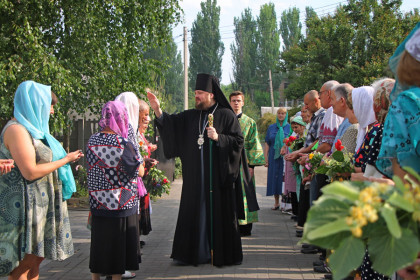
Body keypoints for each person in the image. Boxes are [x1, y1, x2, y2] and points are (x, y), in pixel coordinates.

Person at [147, 73, 258, 266]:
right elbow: (171, 124)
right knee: (194, 212)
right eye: (196, 92)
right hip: (195, 179)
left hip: (217, 179)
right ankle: (193, 253)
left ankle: (219, 252)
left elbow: (238, 142)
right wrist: (157, 110)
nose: (196, 96)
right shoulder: (192, 115)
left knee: (218, 214)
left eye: (200, 93)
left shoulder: (226, 114)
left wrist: (219, 138)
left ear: (212, 94)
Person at [0, 81, 83, 279]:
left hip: (37, 207)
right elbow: (30, 172)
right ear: (35, 104)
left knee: (34, 261)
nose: (52, 112)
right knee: (24, 264)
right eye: (50, 105)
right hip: (24, 209)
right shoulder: (17, 130)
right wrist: (65, 159)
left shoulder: (32, 131)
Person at [87, 101, 144, 280]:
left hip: (98, 202)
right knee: (117, 248)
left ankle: (95, 277)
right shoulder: (123, 143)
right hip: (120, 203)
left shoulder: (92, 140)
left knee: (98, 244)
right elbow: (138, 170)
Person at [114, 91, 146, 280]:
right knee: (124, 228)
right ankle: (121, 267)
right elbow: (136, 162)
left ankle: (110, 266)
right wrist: (143, 163)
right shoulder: (128, 131)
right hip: (126, 190)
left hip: (108, 191)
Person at [229, 91, 265, 236]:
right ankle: (231, 223)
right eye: (233, 100)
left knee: (245, 193)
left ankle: (245, 226)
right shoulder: (225, 120)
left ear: (243, 102)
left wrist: (251, 166)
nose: (236, 103)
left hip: (244, 162)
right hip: (229, 162)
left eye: (238, 100)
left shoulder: (250, 122)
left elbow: (254, 144)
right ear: (230, 102)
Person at [264, 107, 290, 210]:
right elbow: (267, 143)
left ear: (286, 115)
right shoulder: (271, 127)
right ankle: (276, 202)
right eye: (279, 113)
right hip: (273, 156)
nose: (281, 115)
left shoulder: (289, 127)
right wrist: (265, 157)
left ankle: (286, 203)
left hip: (285, 157)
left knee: (284, 178)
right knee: (274, 177)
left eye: (283, 113)